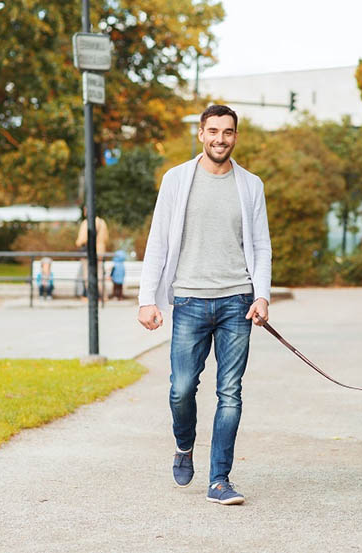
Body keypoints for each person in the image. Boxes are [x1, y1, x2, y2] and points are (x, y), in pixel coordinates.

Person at [138, 104, 271, 506]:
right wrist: (147, 299)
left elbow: (261, 245)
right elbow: (158, 240)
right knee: (181, 390)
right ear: (200, 134)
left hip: (237, 302)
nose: (220, 138)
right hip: (190, 301)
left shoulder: (250, 185)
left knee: (229, 392)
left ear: (235, 136)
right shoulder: (177, 180)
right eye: (213, 131)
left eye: (228, 132)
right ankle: (184, 444)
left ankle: (219, 480)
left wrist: (261, 294)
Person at [75, 205, 109, 299]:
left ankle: (92, 296)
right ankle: (103, 296)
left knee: (87, 274)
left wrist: (78, 242)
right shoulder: (102, 222)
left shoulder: (87, 223)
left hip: (89, 252)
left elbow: (82, 239)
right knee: (100, 274)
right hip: (101, 251)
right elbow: (106, 238)